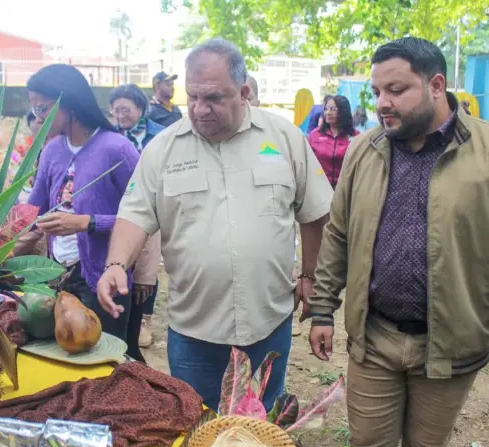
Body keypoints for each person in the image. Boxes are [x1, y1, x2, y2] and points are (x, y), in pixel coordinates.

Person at [307, 37, 489, 447]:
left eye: (396, 90)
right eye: (376, 92)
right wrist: (321, 308)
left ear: (436, 85)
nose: (382, 102)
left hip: (449, 346)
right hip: (374, 338)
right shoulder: (363, 152)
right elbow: (338, 234)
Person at [97, 38, 333, 411]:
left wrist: (308, 274)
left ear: (243, 92)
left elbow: (315, 211)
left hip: (267, 321)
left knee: (262, 422)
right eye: (192, 96)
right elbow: (135, 212)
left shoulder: (283, 138)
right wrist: (115, 265)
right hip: (195, 331)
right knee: (196, 422)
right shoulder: (164, 149)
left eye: (213, 98)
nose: (199, 108)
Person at [18, 64, 144, 361]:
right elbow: (32, 211)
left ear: (69, 102)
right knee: (65, 360)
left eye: (43, 107)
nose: (38, 117)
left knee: (104, 363)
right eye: (34, 109)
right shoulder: (51, 151)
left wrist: (86, 223)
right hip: (57, 276)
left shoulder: (117, 149)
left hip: (104, 278)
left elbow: (145, 215)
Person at [109, 83, 164, 349]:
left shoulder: (162, 136)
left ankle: (143, 318)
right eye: (116, 110)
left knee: (147, 265)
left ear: (140, 108)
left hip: (155, 204)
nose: (120, 115)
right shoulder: (111, 138)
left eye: (125, 109)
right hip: (121, 207)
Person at [307, 95, 358, 189]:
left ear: (343, 111)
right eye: (326, 109)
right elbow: (308, 162)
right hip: (319, 188)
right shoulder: (315, 135)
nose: (328, 113)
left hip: (345, 189)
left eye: (333, 109)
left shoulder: (356, 137)